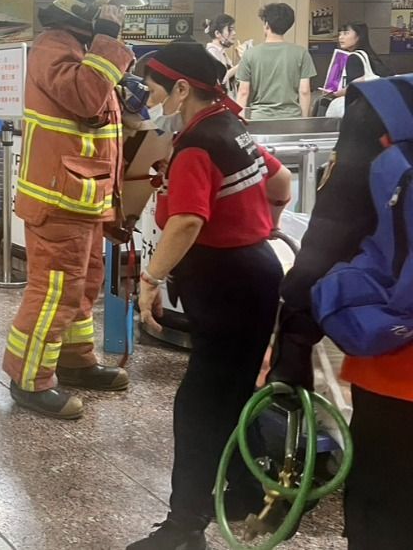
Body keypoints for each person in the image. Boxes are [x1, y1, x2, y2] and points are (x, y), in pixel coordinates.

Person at [126, 43, 293, 550]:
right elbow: (280, 181)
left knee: (197, 405)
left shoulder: (198, 144)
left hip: (225, 284)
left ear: (181, 87)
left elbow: (188, 221)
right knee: (233, 393)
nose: (149, 95)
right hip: (253, 274)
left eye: (154, 84)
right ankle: (251, 494)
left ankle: (184, 527)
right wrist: (262, 228)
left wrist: (150, 279)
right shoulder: (231, 129)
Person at [270, 76, 413, 550]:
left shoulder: (391, 106)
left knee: (387, 514)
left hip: (398, 366)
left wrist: (294, 340)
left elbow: (335, 228)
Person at [1, 0, 142, 419]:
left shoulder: (83, 48)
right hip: (59, 199)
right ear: (93, 7)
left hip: (86, 197)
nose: (121, 19)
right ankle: (29, 379)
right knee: (55, 289)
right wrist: (108, 45)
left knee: (82, 288)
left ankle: (74, 362)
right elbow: (84, 96)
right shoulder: (54, 48)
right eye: (115, 9)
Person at [235, 3, 317, 119]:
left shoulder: (250, 54)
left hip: (260, 118)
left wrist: (240, 120)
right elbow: (304, 91)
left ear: (266, 24)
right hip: (291, 118)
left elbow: (243, 92)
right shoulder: (301, 53)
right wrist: (303, 120)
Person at [203, 13, 239, 85]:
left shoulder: (222, 52)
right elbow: (221, 79)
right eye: (230, 30)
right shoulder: (212, 52)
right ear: (217, 33)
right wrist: (242, 63)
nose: (234, 33)